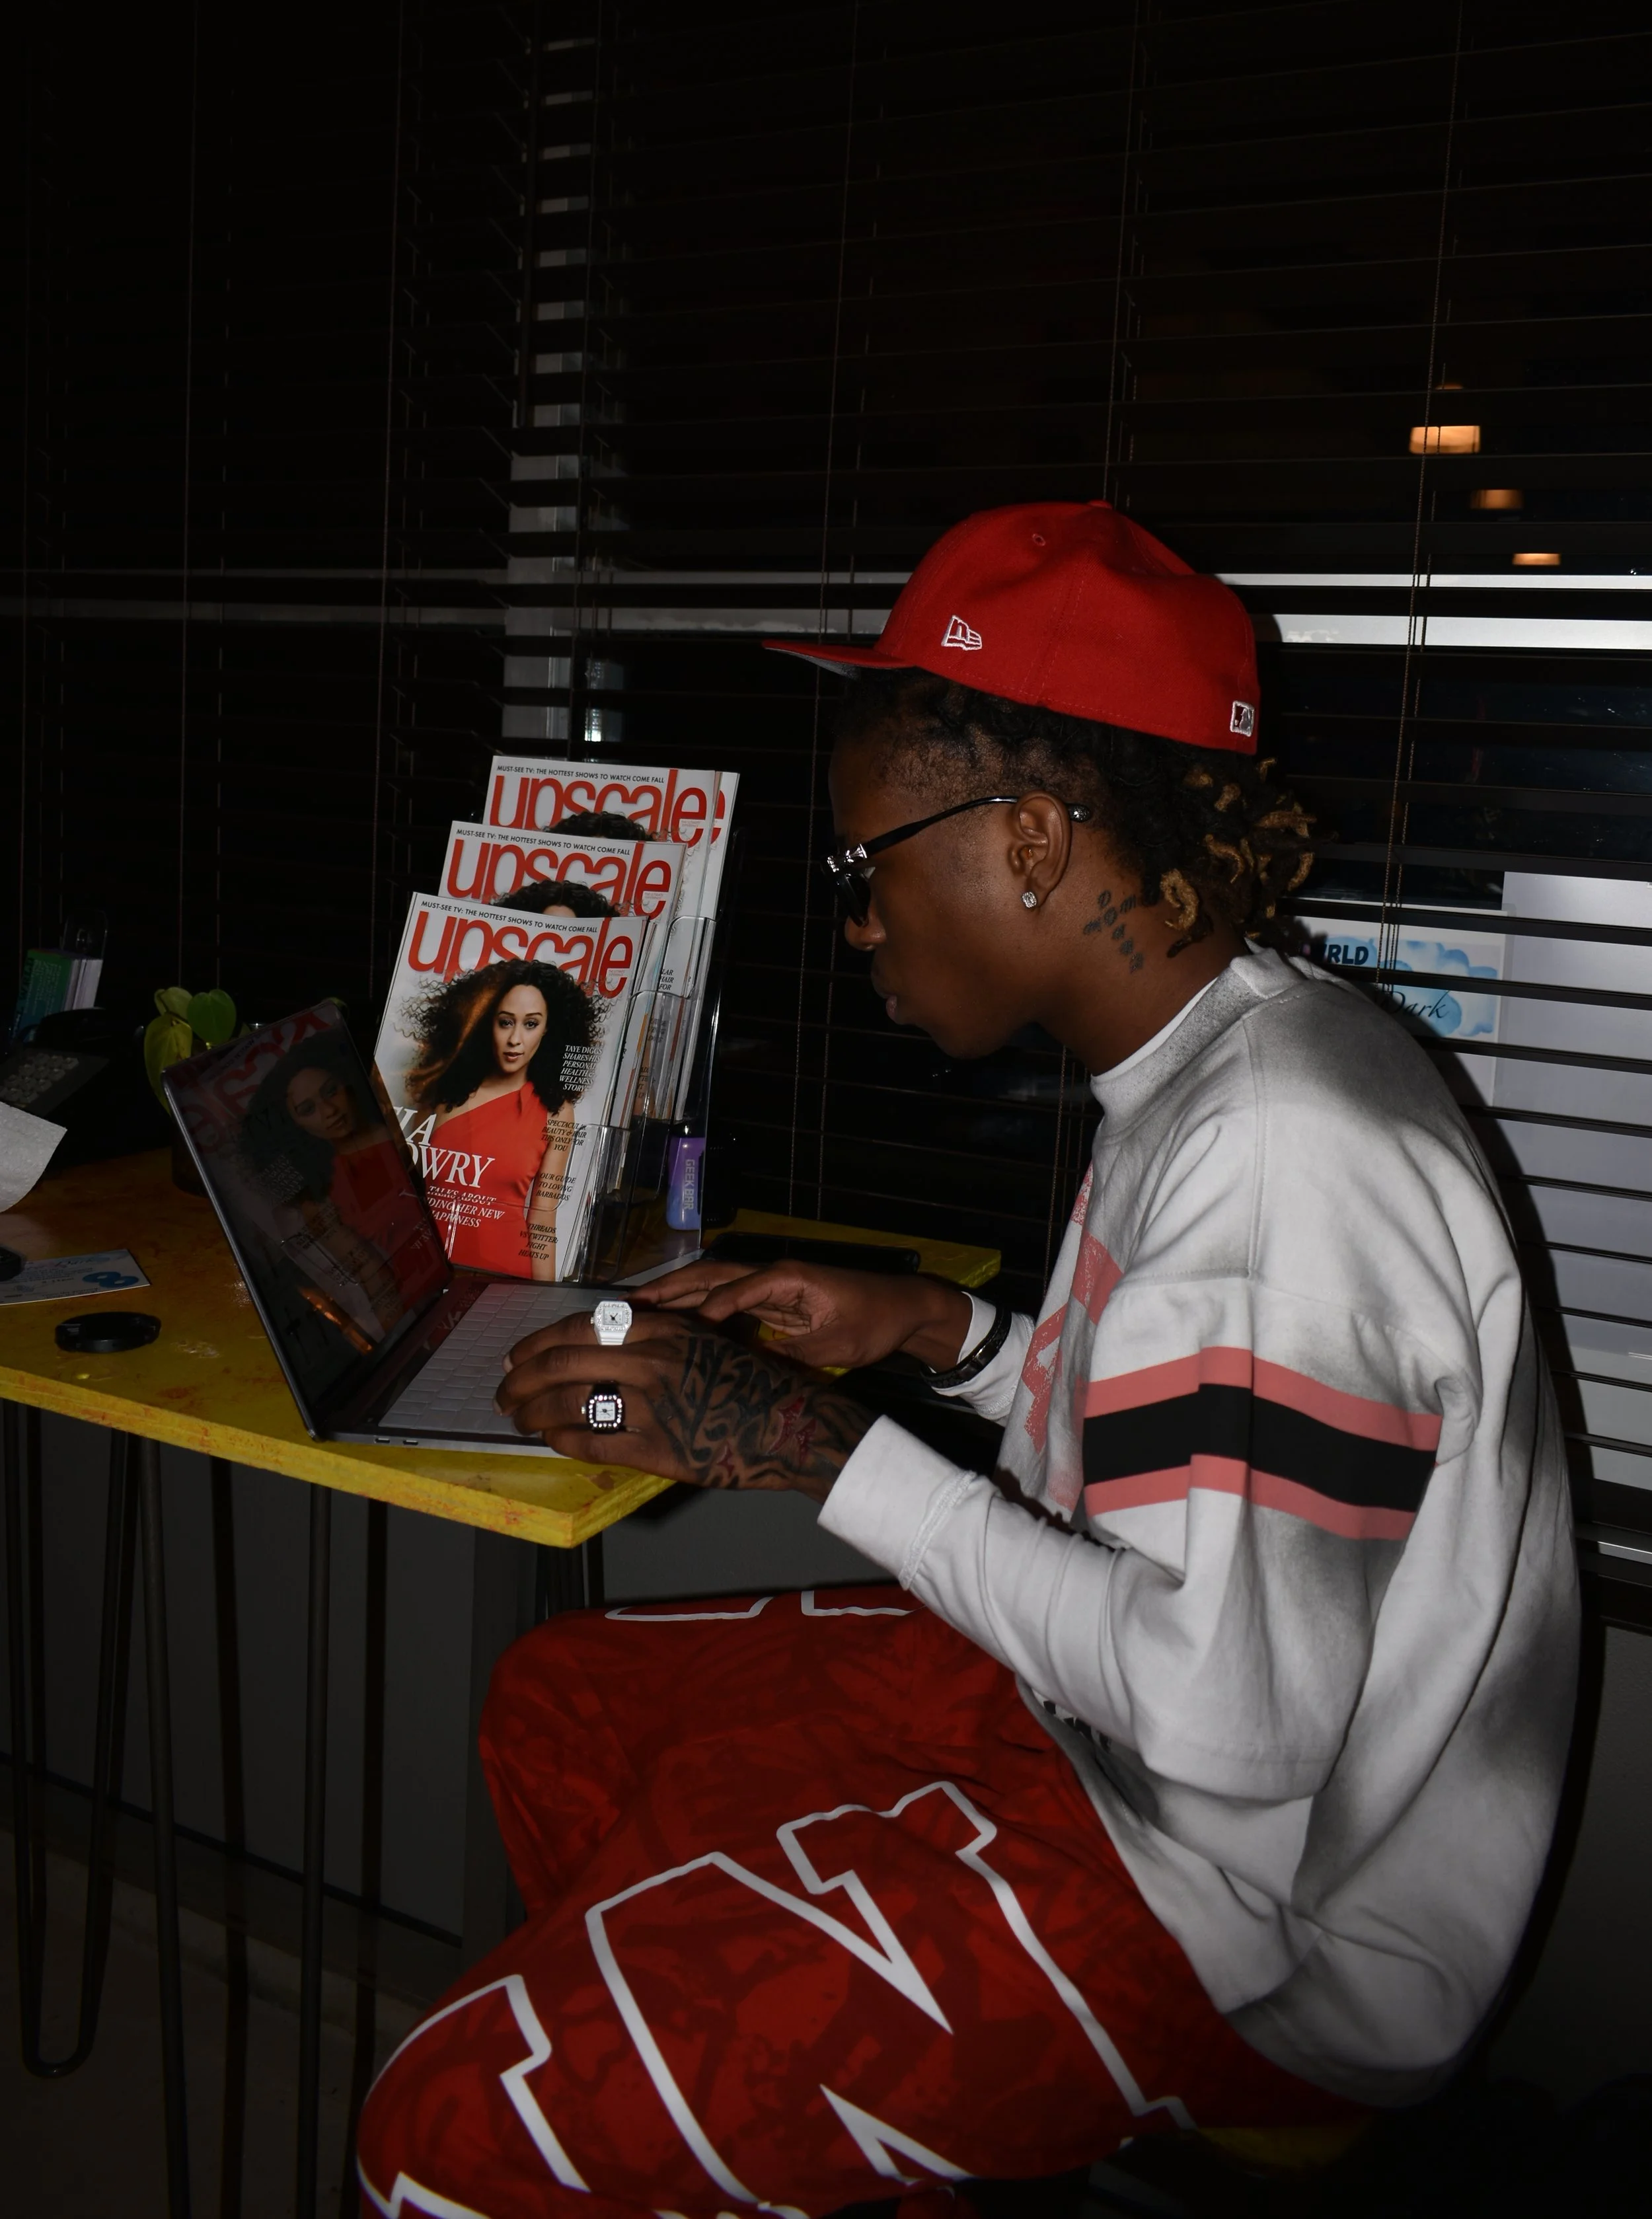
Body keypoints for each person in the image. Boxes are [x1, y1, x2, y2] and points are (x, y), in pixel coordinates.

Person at [357, 502, 1579, 2218]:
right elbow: (1180, 1477)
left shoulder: (1287, 1153)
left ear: (1021, 834)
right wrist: (944, 1335)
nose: (853, 920)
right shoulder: (1224, 1051)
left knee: (456, 2128)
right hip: (1124, 1753)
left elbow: (1229, 1715)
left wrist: (804, 1442)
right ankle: (786, 2123)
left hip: (1248, 1919)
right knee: (562, 1701)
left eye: (864, 867)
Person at [405, 959, 593, 1278]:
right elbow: (410, 1192)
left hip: (505, 1276)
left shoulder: (557, 1112)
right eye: (506, 1022)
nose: (515, 1040)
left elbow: (542, 1218)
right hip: (425, 1269)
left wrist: (544, 1304)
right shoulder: (442, 1094)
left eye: (531, 1024)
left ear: (548, 1029)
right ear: (485, 1022)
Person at [242, 1032, 443, 1326]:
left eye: (330, 1091)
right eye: (308, 1109)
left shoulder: (401, 1132)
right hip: (422, 1305)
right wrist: (403, 1346)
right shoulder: (318, 1197)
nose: (329, 1111)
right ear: (292, 1125)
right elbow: (373, 1278)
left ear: (347, 1084)